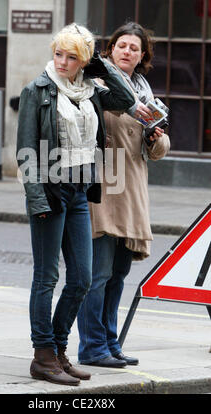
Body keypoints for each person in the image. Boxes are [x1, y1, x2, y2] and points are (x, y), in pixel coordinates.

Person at [16, 23, 152, 386]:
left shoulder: (91, 89)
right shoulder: (38, 90)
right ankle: (43, 355)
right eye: (58, 53)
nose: (61, 61)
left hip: (80, 192)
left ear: (84, 61)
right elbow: (26, 151)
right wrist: (36, 199)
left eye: (72, 56)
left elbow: (125, 100)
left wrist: (102, 67)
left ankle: (59, 350)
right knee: (46, 277)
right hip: (50, 190)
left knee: (82, 279)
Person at [77, 21, 170, 369]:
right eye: (121, 45)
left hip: (132, 186)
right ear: (110, 49)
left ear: (143, 55)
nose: (127, 51)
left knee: (118, 274)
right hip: (104, 182)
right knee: (97, 273)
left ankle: (110, 342)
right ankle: (91, 347)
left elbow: (160, 149)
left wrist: (153, 137)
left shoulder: (143, 90)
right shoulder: (98, 84)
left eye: (134, 47)